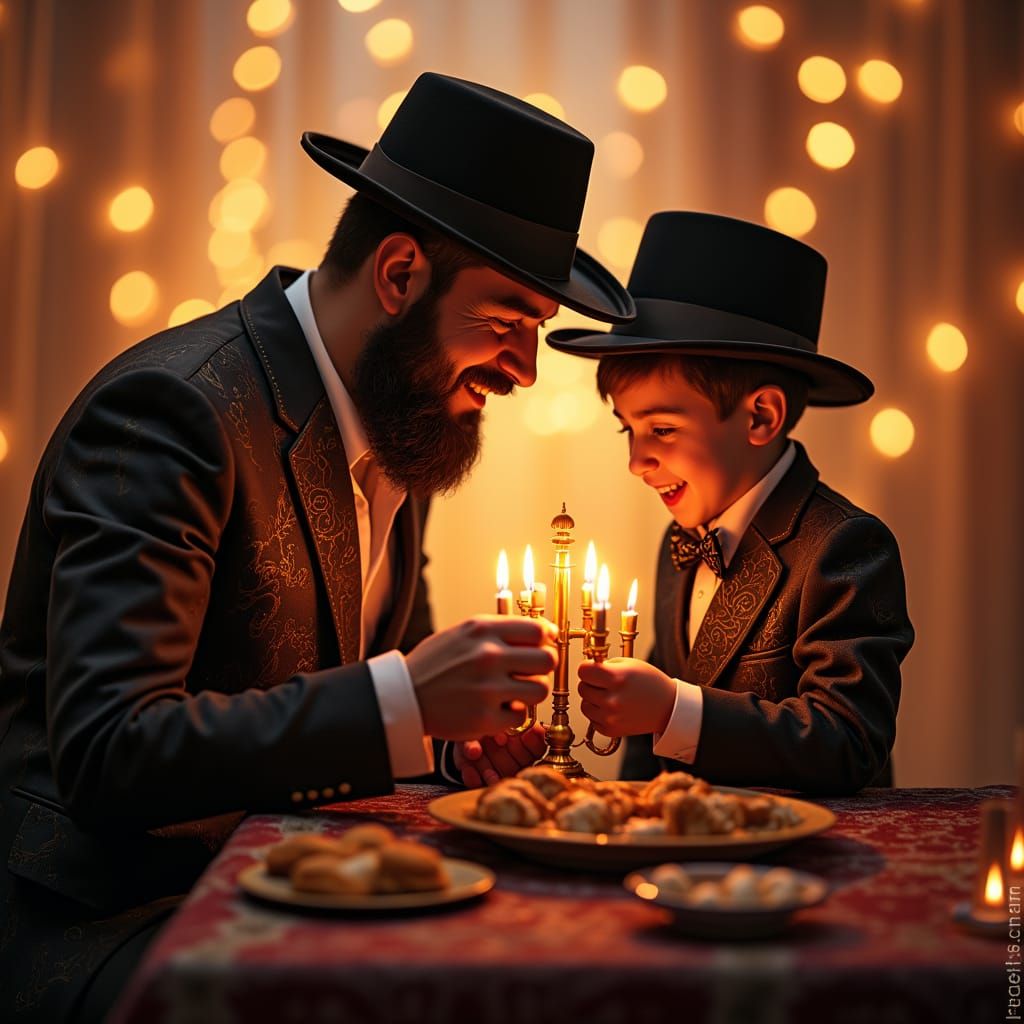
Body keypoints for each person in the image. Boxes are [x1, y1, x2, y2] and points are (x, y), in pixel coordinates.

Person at [0, 72, 634, 1022]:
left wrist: (455, 745)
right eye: (508, 321)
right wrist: (406, 701)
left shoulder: (400, 422)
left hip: (294, 882)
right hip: (116, 918)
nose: (524, 368)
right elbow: (108, 755)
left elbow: (382, 696)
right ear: (399, 276)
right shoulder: (172, 412)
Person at [546, 210, 914, 795]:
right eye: (628, 431)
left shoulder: (843, 546)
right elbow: (649, 738)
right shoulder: (682, 540)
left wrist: (675, 710)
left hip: (801, 864)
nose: (637, 463)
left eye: (662, 431)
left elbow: (849, 741)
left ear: (760, 416)